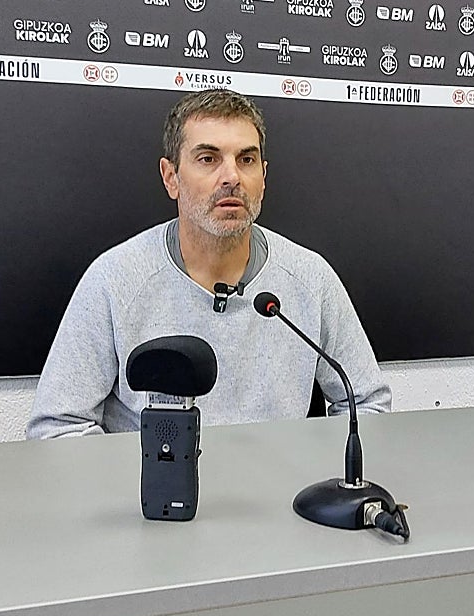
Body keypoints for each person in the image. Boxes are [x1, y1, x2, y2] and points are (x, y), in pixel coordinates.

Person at [27, 90, 390, 438]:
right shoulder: (115, 280)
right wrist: (144, 486)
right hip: (154, 497)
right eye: (208, 158)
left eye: (246, 160)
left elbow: (366, 403)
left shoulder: (310, 279)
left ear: (263, 178)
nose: (231, 177)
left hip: (279, 494)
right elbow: (57, 428)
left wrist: (315, 476)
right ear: (171, 177)